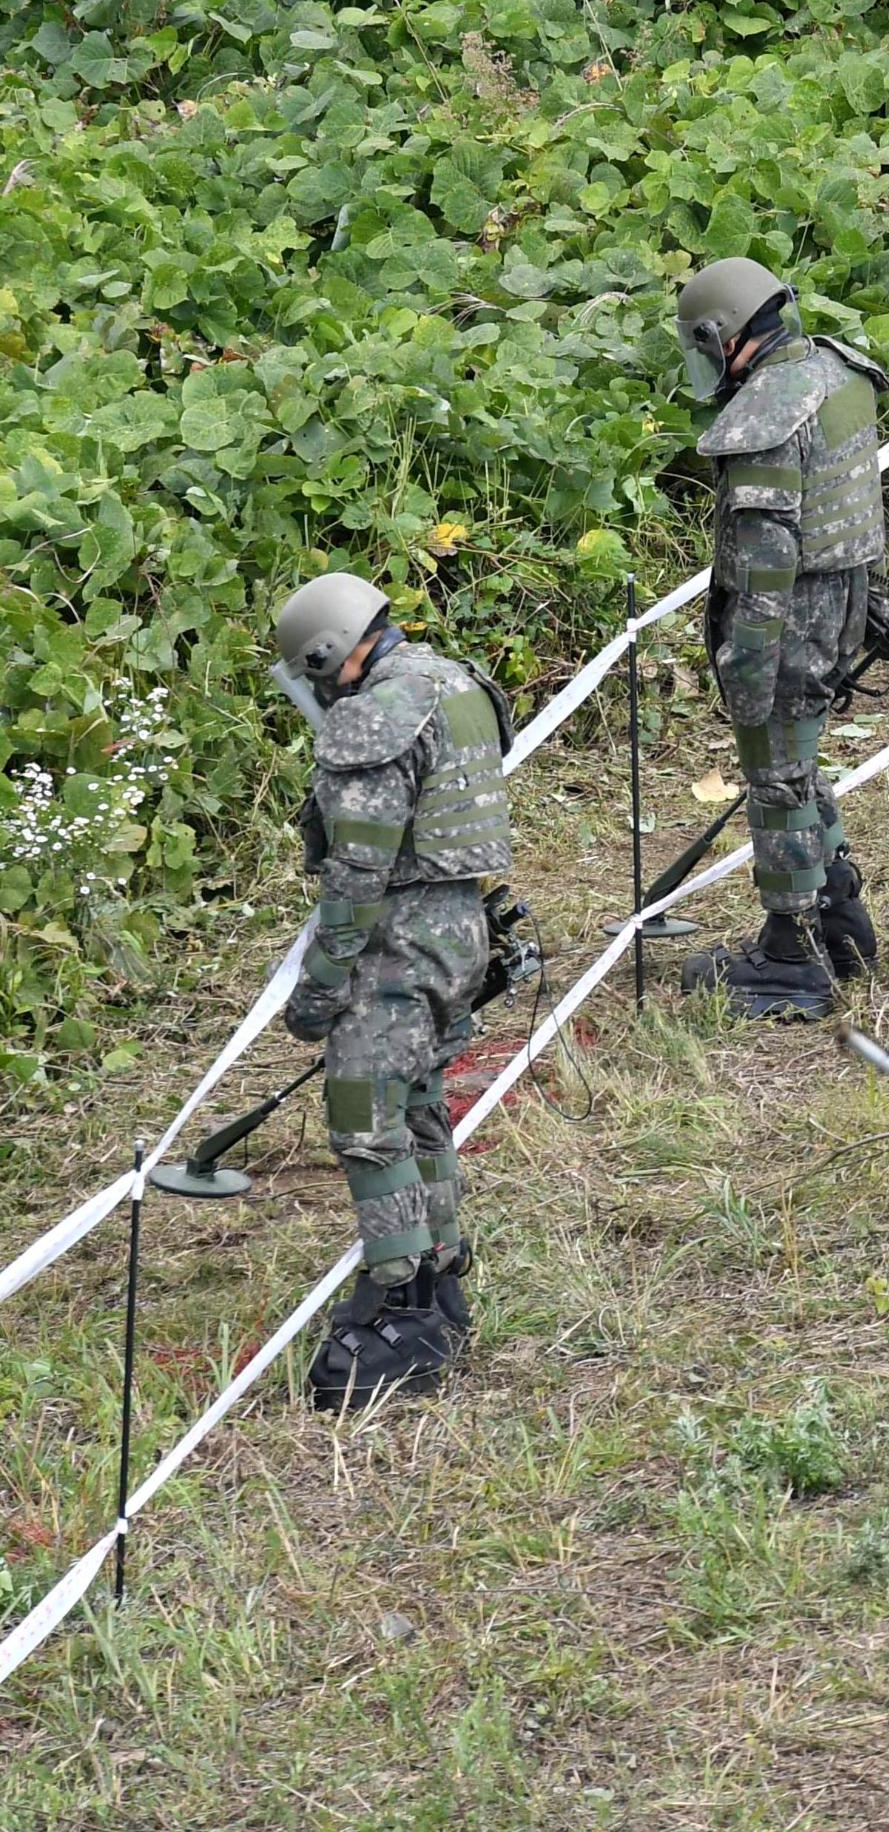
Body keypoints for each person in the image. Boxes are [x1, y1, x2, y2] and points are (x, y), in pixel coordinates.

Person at [271, 571, 514, 1406]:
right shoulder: (455, 684)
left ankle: (402, 1303)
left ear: (329, 651)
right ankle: (440, 1274)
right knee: (417, 1104)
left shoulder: (378, 712)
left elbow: (359, 872)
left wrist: (320, 985)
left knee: (365, 1115)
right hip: (460, 929)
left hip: (400, 939)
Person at [672, 256, 889, 1022]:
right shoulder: (838, 372)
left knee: (775, 779)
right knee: (796, 765)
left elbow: (766, 564)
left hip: (791, 612)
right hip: (843, 598)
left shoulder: (767, 415)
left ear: (725, 336)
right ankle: (841, 922)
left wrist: (746, 666)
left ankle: (790, 955)